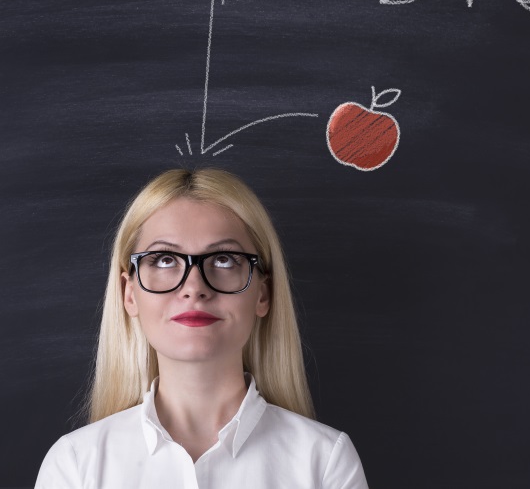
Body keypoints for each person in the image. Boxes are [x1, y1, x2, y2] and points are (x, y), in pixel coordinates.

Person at [35, 168, 369, 488]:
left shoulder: (325, 462)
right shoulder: (75, 464)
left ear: (263, 293)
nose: (194, 287)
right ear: (129, 294)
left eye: (224, 259)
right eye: (164, 260)